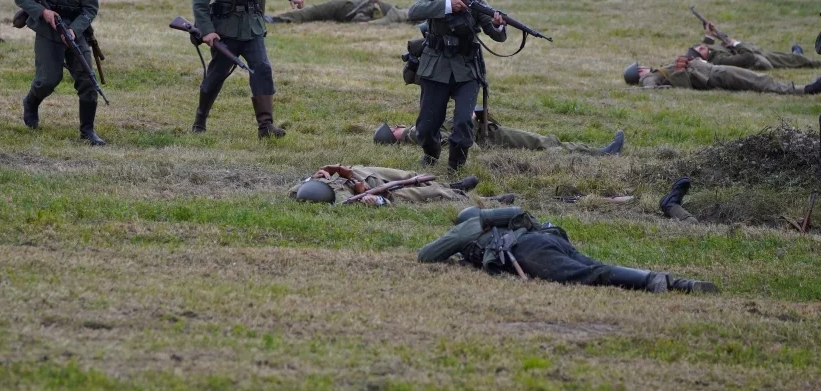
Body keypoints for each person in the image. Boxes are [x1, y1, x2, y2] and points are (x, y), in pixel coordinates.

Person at [419, 206, 718, 294]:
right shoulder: (507, 220)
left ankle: (662, 281)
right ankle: (680, 283)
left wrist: (458, 236)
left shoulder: (471, 227)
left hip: (527, 251)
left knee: (590, 275)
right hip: (547, 239)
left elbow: (426, 255)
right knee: (595, 266)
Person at [191, 0, 304, 138]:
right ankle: (200, 121)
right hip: (227, 34)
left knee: (262, 69)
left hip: (253, 32)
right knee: (215, 77)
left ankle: (266, 126)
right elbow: (199, 0)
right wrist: (207, 31)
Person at [408, 0, 507, 170]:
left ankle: (456, 166)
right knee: (426, 126)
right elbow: (414, 11)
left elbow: (495, 33)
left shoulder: (475, 1)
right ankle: (431, 153)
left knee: (463, 122)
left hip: (467, 70)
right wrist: (447, 6)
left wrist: (498, 26)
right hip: (436, 68)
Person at [14, 0, 104, 145]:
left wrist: (74, 29)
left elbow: (91, 8)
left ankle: (87, 131)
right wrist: (42, 12)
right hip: (48, 31)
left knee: (87, 79)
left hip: (75, 32)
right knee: (48, 79)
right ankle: (31, 102)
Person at [374, 111, 625, 156]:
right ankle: (599, 154)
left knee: (545, 142)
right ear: (393, 134)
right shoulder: (418, 132)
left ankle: (593, 152)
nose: (396, 126)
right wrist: (471, 120)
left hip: (490, 132)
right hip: (492, 139)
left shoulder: (419, 131)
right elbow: (456, 141)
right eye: (392, 127)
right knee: (544, 145)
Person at [290, 164, 479, 206]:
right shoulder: (341, 200)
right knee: (430, 192)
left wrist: (314, 176)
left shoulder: (305, 190)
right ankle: (480, 200)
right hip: (379, 192)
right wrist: (363, 193)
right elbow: (352, 202)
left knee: (411, 175)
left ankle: (452, 185)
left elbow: (293, 191)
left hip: (361, 173)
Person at [623, 56, 821, 95]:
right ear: (639, 73)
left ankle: (802, 88)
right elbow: (650, 92)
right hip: (715, 75)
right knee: (759, 81)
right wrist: (682, 71)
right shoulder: (648, 78)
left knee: (757, 80)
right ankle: (803, 90)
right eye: (640, 67)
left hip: (713, 72)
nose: (644, 66)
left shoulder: (657, 74)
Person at [689, 22, 821, 70]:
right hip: (757, 59)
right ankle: (806, 60)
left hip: (756, 52)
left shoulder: (708, 52)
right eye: (699, 51)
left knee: (782, 56)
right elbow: (748, 57)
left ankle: (796, 56)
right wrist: (736, 44)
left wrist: (710, 34)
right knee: (785, 60)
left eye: (698, 47)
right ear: (703, 59)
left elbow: (706, 46)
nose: (700, 47)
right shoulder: (720, 61)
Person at [266, 0, 410, 25]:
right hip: (356, 7)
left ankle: (277, 20)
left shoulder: (409, 14)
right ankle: (277, 19)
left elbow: (390, 18)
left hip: (354, 10)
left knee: (316, 11)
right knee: (316, 12)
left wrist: (368, 25)